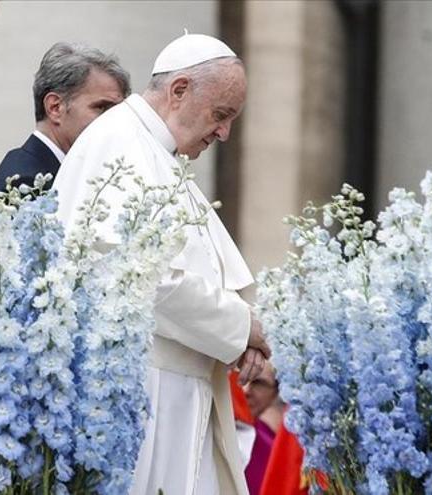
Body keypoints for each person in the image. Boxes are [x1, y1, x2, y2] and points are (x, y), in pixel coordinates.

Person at [53, 33, 271, 495]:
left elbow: (207, 270)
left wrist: (242, 335)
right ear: (179, 91)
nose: (225, 133)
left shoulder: (158, 154)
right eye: (221, 114)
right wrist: (243, 327)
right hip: (144, 394)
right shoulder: (117, 145)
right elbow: (138, 275)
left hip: (179, 390)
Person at [0, 42, 129, 242]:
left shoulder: (48, 168)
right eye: (102, 108)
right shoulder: (27, 182)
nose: (115, 121)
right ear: (55, 107)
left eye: (119, 111)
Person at [243, 362, 285, 495]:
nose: (246, 390)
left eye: (259, 383)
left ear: (274, 394)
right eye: (240, 377)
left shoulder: (273, 452)